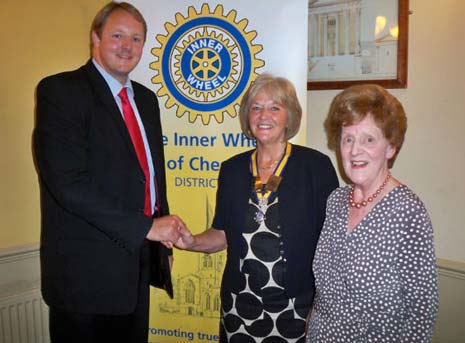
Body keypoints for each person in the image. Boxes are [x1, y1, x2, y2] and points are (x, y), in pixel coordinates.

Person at [33, 2, 185, 342]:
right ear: (95, 39)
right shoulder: (61, 92)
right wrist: (147, 227)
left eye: (136, 38)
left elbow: (150, 178)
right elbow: (68, 184)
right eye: (117, 36)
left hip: (137, 269)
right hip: (85, 280)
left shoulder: (146, 100)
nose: (127, 46)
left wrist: (163, 246)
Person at [175, 73, 339, 342]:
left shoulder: (315, 167)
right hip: (240, 306)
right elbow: (223, 234)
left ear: (290, 116)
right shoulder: (232, 170)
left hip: (296, 306)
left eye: (275, 107)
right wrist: (191, 241)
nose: (265, 115)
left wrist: (323, 305)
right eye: (256, 107)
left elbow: (332, 245)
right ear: (247, 116)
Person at [307, 84, 439, 342]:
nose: (355, 150)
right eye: (348, 139)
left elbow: (421, 313)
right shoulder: (336, 200)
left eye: (369, 139)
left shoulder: (408, 211)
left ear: (390, 147)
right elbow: (326, 289)